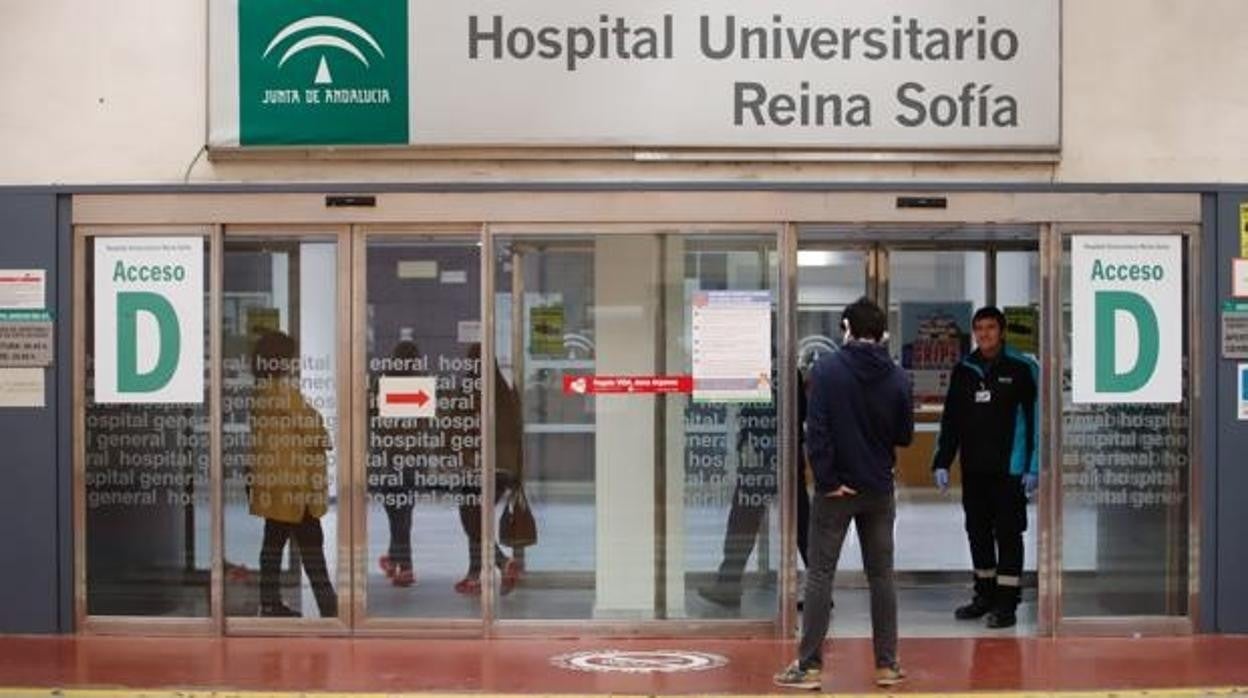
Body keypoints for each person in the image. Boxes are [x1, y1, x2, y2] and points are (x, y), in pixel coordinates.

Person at [774, 297, 913, 690]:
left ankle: (809, 666)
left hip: (836, 492)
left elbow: (815, 432)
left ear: (847, 328)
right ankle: (887, 665)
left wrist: (830, 480)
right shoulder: (899, 377)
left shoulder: (827, 371)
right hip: (879, 489)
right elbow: (904, 435)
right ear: (882, 332)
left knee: (820, 575)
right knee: (882, 576)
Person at [931, 305, 1038, 629]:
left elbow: (1037, 420)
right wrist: (942, 461)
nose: (984, 334)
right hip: (974, 469)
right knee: (977, 532)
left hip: (1011, 470)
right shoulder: (964, 370)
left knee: (1008, 533)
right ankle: (984, 595)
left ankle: (1007, 603)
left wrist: (1034, 465)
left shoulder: (1022, 368)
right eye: (979, 329)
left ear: (1002, 331)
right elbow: (951, 421)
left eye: (991, 328)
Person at [697, 370, 811, 610]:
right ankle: (820, 588)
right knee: (801, 523)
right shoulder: (791, 371)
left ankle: (728, 584)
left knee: (743, 522)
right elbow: (801, 412)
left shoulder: (762, 373)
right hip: (787, 457)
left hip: (761, 457)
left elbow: (758, 416)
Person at [248, 331, 337, 618]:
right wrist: (322, 432)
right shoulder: (281, 392)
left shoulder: (262, 391)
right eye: (289, 356)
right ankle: (328, 606)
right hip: (293, 485)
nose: (293, 362)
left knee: (274, 542)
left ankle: (272, 602)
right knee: (311, 544)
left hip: (278, 481)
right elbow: (313, 426)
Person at [452, 344, 523, 596]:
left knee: (471, 518)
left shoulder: (470, 391)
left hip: (478, 466)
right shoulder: (505, 391)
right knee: (477, 517)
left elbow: (457, 428)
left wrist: (454, 456)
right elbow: (516, 430)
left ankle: (501, 563)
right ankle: (475, 574)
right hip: (504, 470)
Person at [374, 339, 423, 588]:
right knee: (404, 514)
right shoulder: (420, 385)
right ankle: (395, 559)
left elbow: (375, 423)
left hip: (390, 460)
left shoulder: (382, 384)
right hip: (413, 461)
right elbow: (425, 427)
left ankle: (405, 566)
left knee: (397, 515)